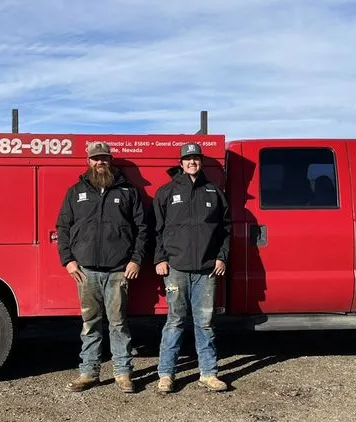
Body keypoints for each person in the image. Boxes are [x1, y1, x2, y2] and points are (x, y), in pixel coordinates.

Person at [55, 141, 148, 393]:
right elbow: (63, 228)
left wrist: (136, 259)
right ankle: (89, 372)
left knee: (118, 324)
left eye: (104, 158)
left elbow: (142, 229)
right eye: (95, 158)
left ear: (110, 160)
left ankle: (123, 374)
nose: (100, 162)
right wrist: (68, 260)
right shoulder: (76, 191)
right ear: (88, 161)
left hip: (118, 270)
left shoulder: (129, 191)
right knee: (90, 322)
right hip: (86, 271)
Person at [152, 142, 231, 393]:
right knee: (174, 321)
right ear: (181, 163)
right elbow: (156, 230)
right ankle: (166, 374)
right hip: (176, 268)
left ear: (201, 161)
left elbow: (225, 229)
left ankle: (208, 373)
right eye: (187, 159)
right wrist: (159, 259)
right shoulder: (166, 192)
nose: (192, 162)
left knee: (205, 323)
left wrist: (222, 257)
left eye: (196, 158)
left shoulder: (213, 192)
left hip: (207, 270)